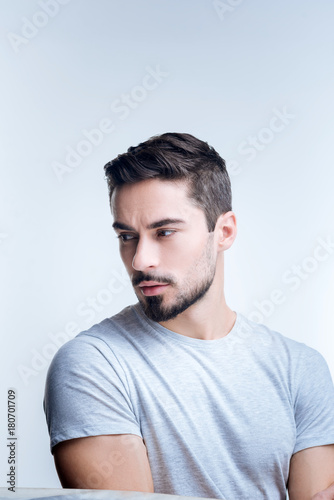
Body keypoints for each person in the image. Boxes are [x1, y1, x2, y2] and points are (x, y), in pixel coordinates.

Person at [44, 132, 334, 499]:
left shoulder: (300, 368)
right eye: (127, 236)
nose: (140, 260)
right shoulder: (92, 364)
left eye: (164, 232)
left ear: (224, 231)